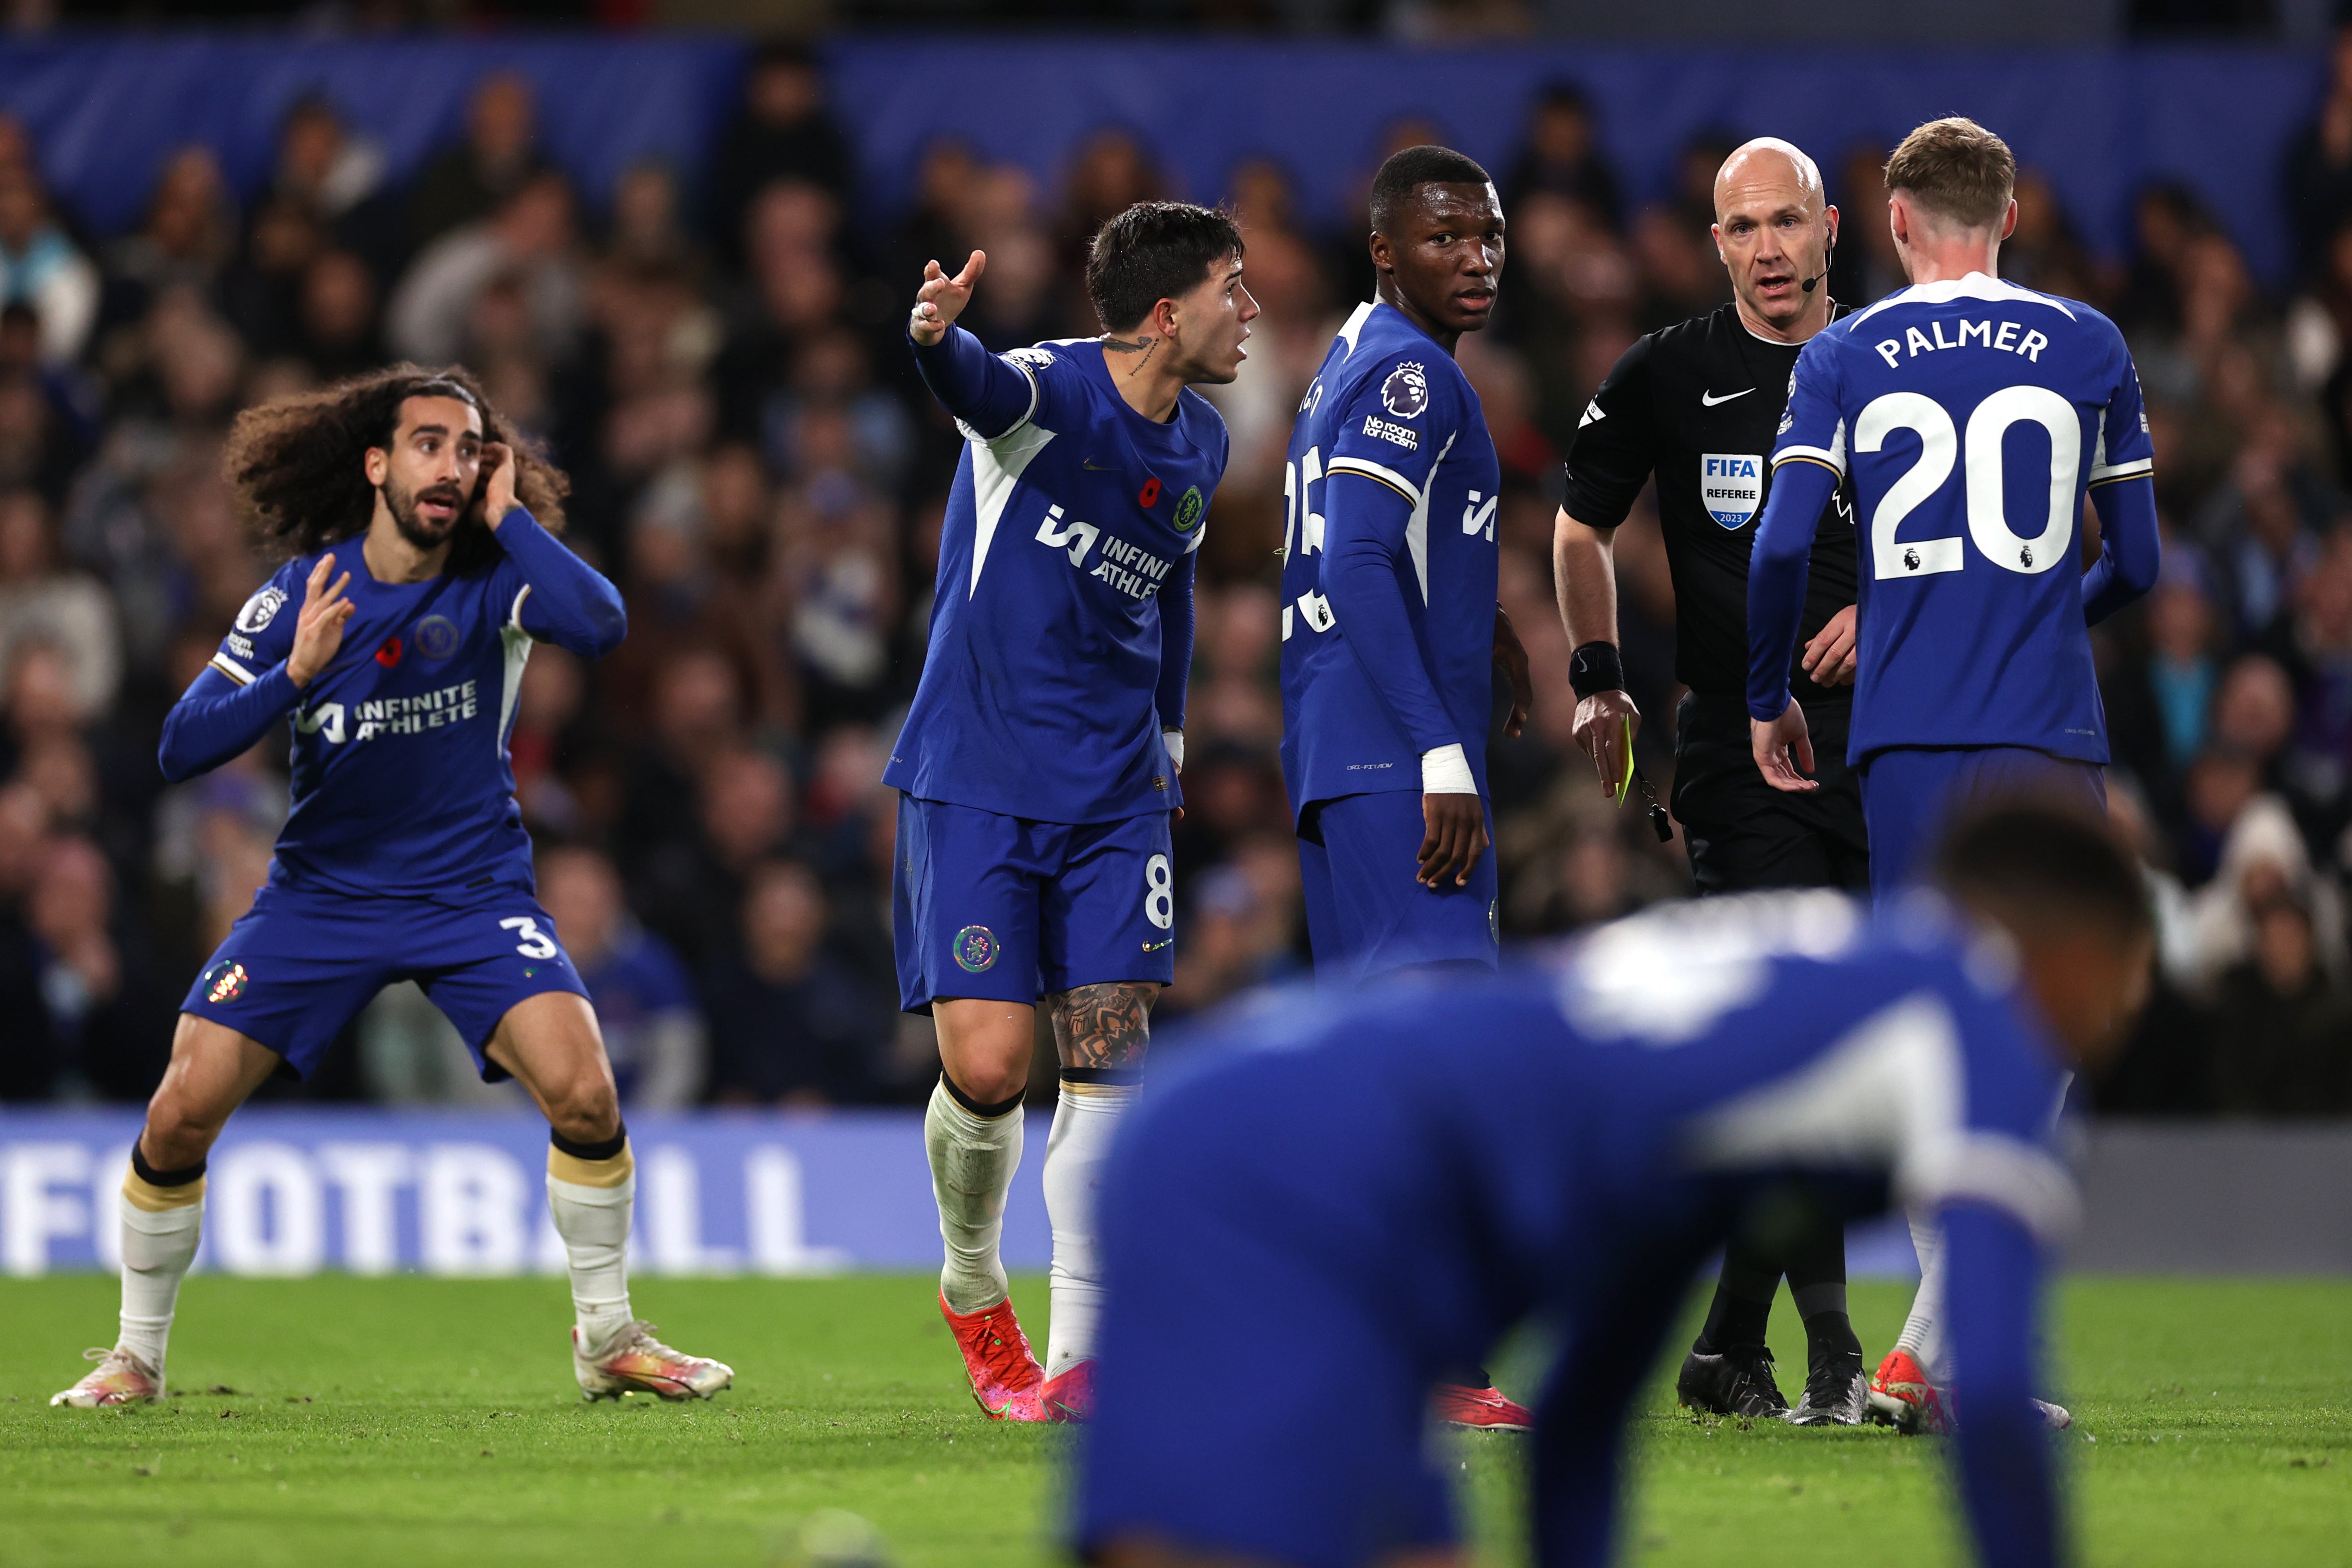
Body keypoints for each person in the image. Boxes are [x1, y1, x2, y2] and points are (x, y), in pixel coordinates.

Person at [1078, 801, 2153, 1568]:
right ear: (2069, 952)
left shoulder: (1788, 1043)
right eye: (2129, 968)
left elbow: (1587, 1407)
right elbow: (1999, 1394)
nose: (2128, 1009)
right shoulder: (1981, 1011)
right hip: (1300, 1182)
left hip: (1253, 1125)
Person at [49, 365, 732, 1409]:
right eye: (428, 444)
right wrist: (293, 677)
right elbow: (181, 747)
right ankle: (134, 1358)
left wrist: (512, 523)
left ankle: (608, 1338)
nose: (450, 467)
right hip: (320, 899)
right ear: (378, 464)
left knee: (587, 1091)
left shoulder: (494, 576)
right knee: (180, 1110)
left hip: (471, 894)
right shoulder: (303, 594)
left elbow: (600, 626)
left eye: (469, 450)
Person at [1746, 116, 2161, 1430]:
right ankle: (1938, 1350)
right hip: (2042, 728)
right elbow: (2141, 565)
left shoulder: (1842, 351)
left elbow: (1774, 554)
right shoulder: (2087, 343)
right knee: (2040, 1028)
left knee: (1931, 1033)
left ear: (1891, 225)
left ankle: (1930, 1351)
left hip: (1903, 738)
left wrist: (1767, 696)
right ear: (2011, 216)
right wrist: (2034, 608)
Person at [891, 201, 1249, 1422]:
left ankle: (1085, 1359)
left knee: (1107, 1055)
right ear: (1167, 312)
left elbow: (1178, 587)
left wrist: (1171, 740)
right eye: (1229, 290)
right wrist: (936, 337)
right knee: (988, 1069)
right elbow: (976, 385)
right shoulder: (1048, 394)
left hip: (1114, 795)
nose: (1247, 312)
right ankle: (972, 1286)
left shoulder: (1202, 437)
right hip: (980, 776)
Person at [1554, 138, 1868, 1425]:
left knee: (1834, 1053)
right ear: (1715, 243)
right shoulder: (1669, 374)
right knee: (1797, 1044)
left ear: (1832, 226)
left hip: (1889, 745)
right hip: (1737, 753)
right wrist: (1595, 672)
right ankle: (1837, 1353)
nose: (1768, 249)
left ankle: (1722, 1341)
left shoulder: (1897, 364)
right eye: (1741, 228)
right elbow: (1580, 526)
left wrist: (1890, 620)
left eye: (1787, 221)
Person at [1276, 143, 1534, 1431]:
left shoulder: (1342, 357)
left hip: (1333, 752)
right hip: (1394, 761)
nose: (1474, 258)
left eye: (1487, 235)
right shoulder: (1408, 373)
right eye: (1444, 237)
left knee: (1378, 1071)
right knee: (1439, 1073)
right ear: (1384, 247)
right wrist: (1439, 745)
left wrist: (1473, 624)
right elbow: (1361, 549)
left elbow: (1366, 550)